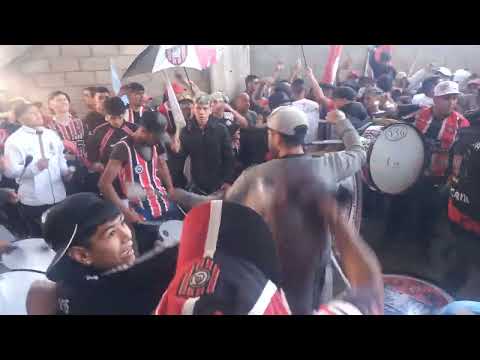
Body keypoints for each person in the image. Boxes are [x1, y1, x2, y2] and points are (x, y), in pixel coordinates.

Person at [171, 106, 367, 307]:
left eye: (269, 133)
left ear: (276, 138)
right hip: (318, 269)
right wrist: (342, 121)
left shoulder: (257, 176)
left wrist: (179, 195)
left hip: (278, 273)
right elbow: (359, 153)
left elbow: (220, 203)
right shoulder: (328, 166)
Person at [27, 193, 177, 315]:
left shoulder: (53, 290)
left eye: (122, 223)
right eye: (111, 233)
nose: (127, 235)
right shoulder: (107, 296)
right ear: (82, 255)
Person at [99, 111, 178, 254]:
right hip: (142, 212)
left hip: (164, 204)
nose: (159, 140)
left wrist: (170, 188)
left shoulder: (154, 143)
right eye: (157, 136)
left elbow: (161, 165)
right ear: (144, 131)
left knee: (173, 248)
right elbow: (104, 184)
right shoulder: (123, 148)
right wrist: (126, 212)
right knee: (150, 254)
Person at [3, 103, 72, 237]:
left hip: (59, 196)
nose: (38, 115)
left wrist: (66, 172)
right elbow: (10, 172)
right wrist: (35, 168)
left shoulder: (51, 134)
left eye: (38, 112)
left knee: (63, 235)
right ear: (21, 119)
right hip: (33, 201)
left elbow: (60, 157)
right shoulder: (14, 141)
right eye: (32, 113)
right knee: (42, 239)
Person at [441, 110, 480, 294]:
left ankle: (444, 293)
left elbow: (453, 168)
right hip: (473, 216)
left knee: (458, 261)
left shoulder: (466, 129)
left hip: (457, 206)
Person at [174, 94, 234, 195]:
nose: (201, 112)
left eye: (205, 108)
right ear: (193, 109)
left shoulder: (220, 129)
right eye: (198, 108)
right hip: (197, 184)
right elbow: (180, 159)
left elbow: (229, 157)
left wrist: (228, 181)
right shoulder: (186, 131)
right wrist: (179, 184)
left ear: (210, 110)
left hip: (219, 183)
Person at [290, 78, 320, 144]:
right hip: (314, 144)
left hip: (296, 145)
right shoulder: (315, 105)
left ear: (291, 91)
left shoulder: (289, 108)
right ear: (304, 91)